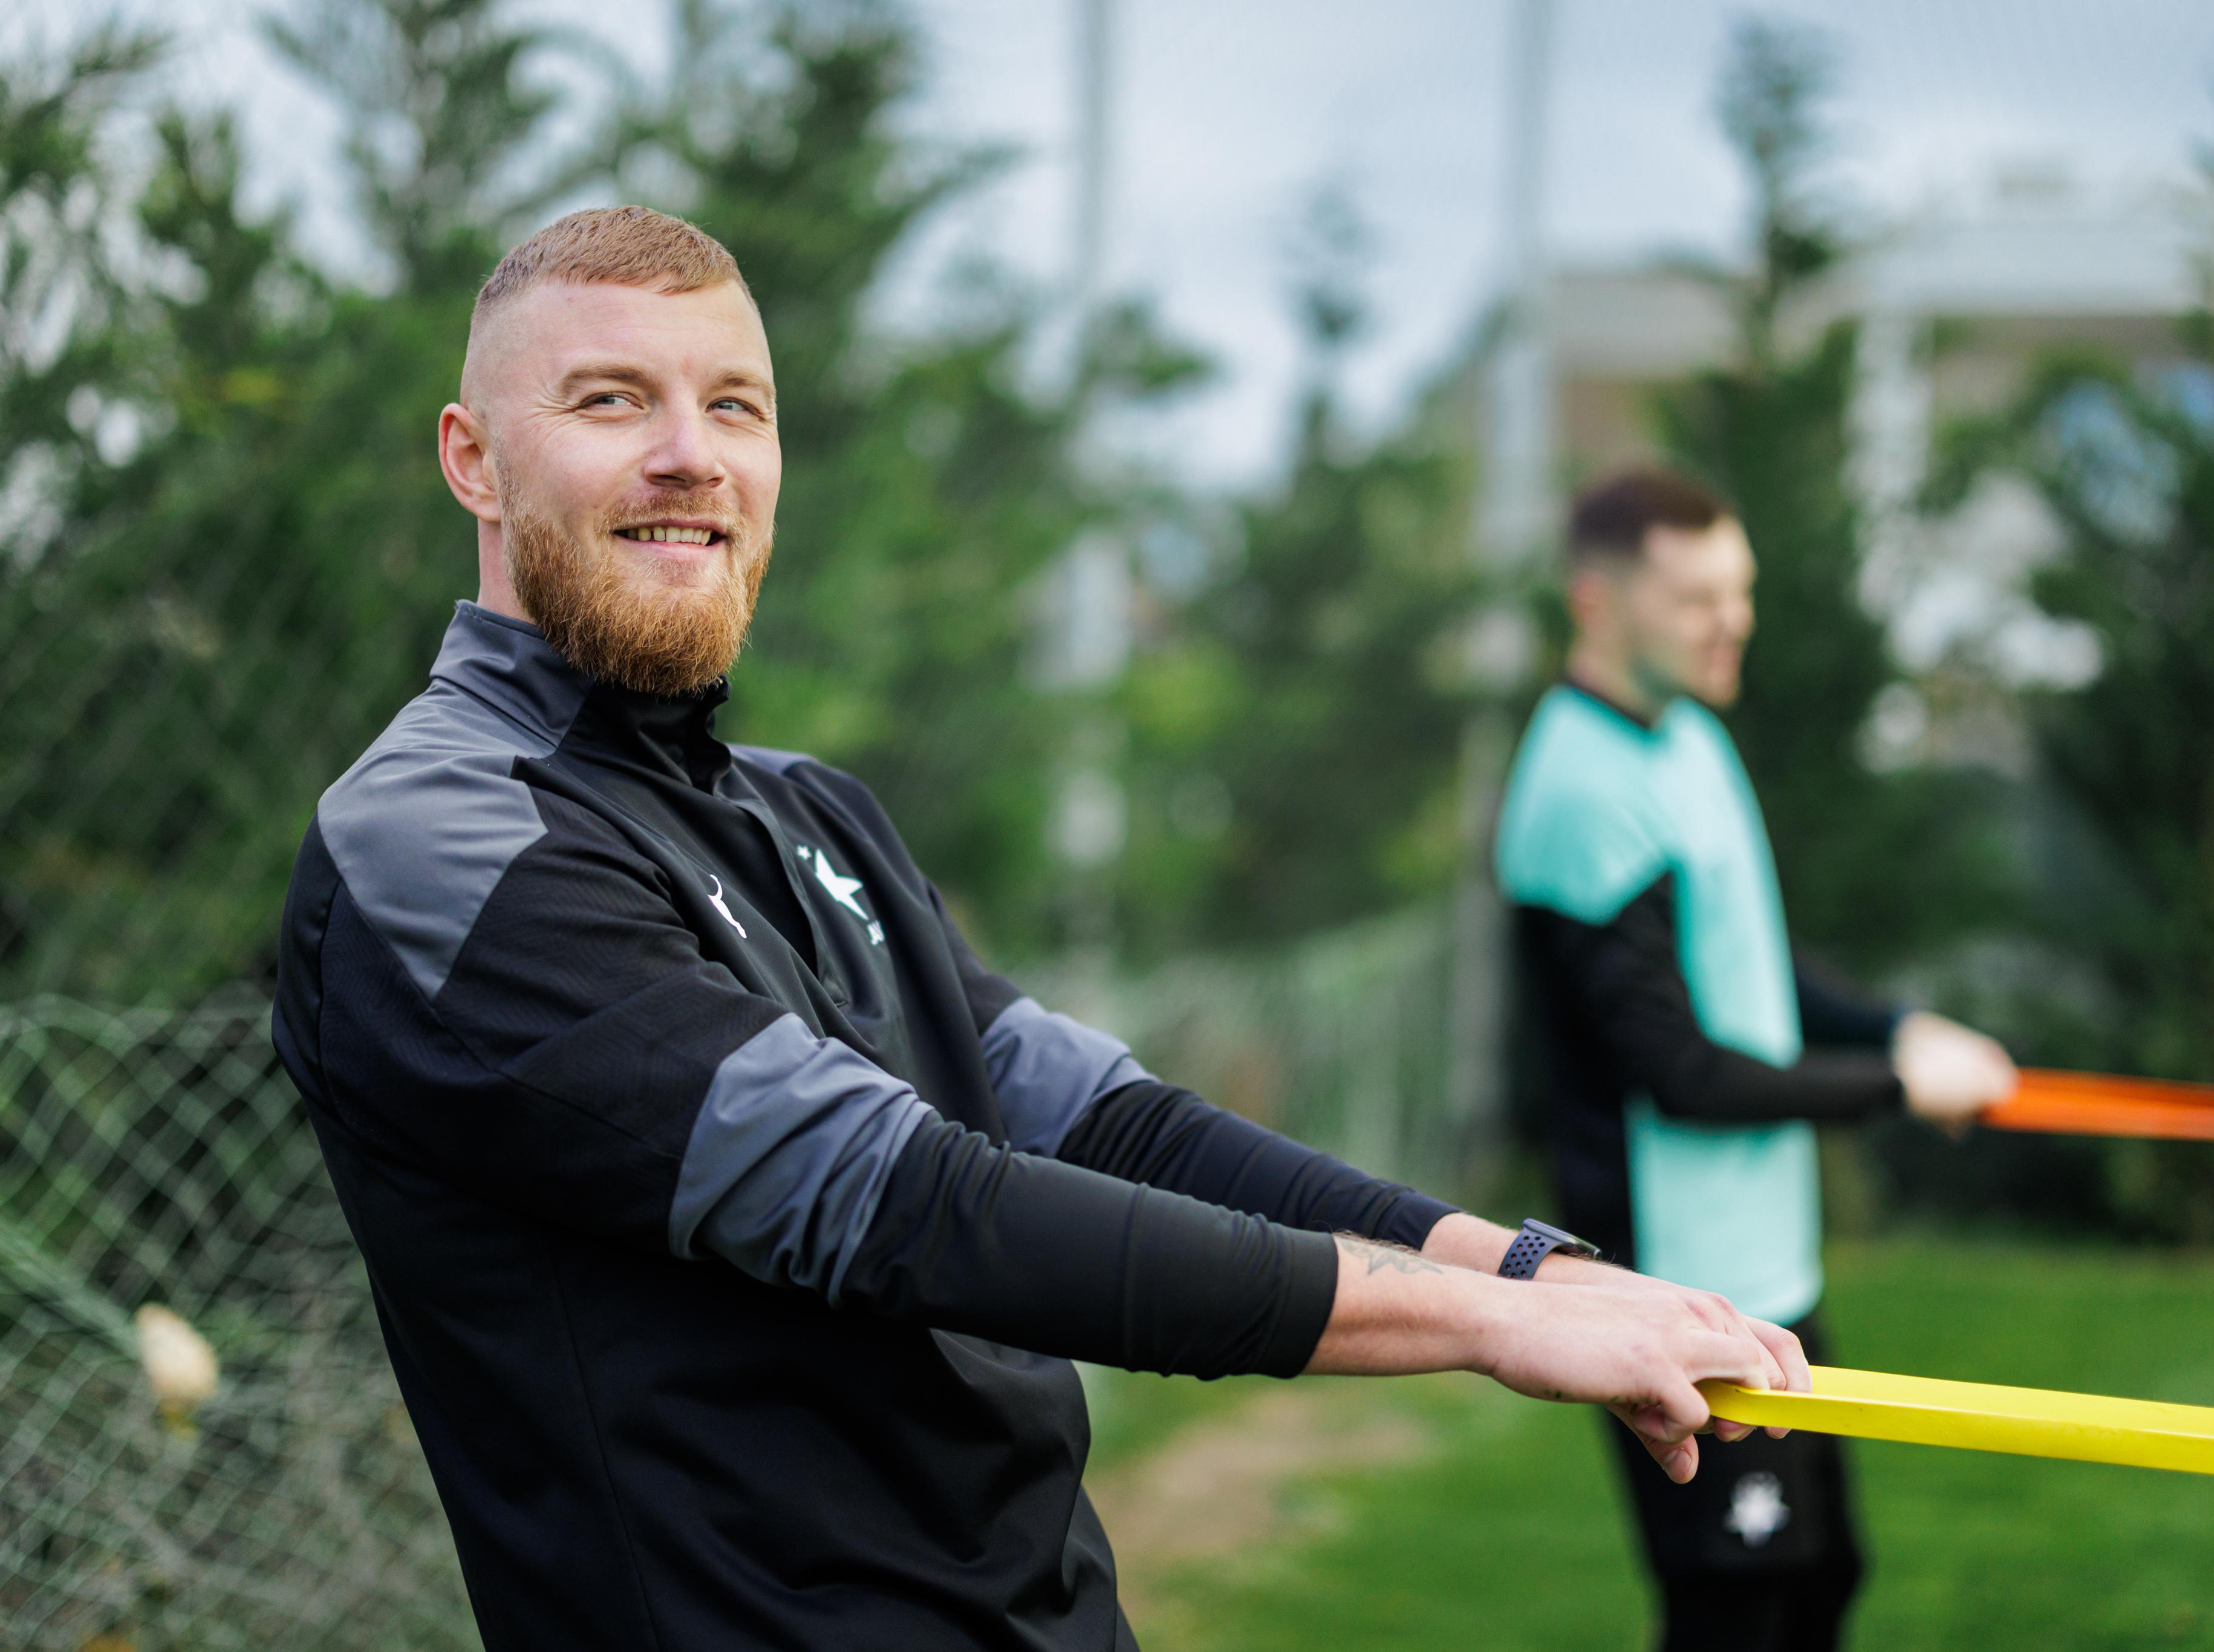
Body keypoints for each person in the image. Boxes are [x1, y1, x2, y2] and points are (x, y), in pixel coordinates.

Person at [271, 207, 1807, 1652]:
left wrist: (1524, 1265)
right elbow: (907, 1203)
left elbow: (1110, 1124)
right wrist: (1480, 1327)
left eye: (736, 406)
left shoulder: (809, 810)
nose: (693, 457)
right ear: (474, 461)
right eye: (612, 401)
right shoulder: (438, 835)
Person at [1494, 468, 2017, 1651]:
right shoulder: (1579, 789)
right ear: (1595, 602)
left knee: (1821, 1574)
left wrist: (1892, 1029)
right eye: (1694, 597)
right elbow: (1681, 1068)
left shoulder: (1684, 732)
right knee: (1735, 1609)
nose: (1731, 621)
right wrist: (1894, 1090)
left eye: (1739, 591)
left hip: (1761, 1271)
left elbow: (1749, 964)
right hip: (1669, 1285)